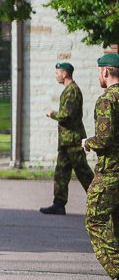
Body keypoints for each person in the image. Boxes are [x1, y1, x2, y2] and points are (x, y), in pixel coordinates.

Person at [83, 53, 119, 280]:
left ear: (105, 72)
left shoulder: (107, 101)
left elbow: (104, 139)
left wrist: (88, 142)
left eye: (99, 72)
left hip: (111, 171)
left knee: (94, 219)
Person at [40, 62, 93, 215]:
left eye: (57, 73)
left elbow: (67, 115)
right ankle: (58, 204)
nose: (56, 75)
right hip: (66, 141)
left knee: (83, 172)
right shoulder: (68, 91)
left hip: (73, 141)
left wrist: (52, 114)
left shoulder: (73, 91)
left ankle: (102, 201)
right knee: (61, 173)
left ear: (64, 74)